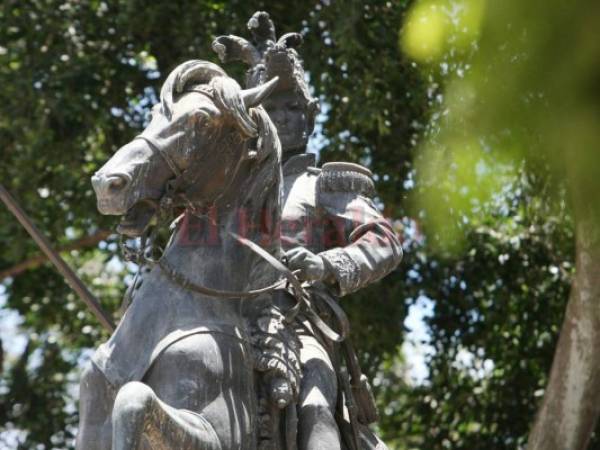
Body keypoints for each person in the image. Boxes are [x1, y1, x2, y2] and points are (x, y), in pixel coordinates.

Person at [213, 12, 402, 450]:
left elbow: (384, 240)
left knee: (316, 406)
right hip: (218, 319)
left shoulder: (325, 184)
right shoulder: (221, 189)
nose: (283, 117)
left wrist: (326, 263)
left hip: (297, 323)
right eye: (271, 107)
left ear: (311, 115)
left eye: (293, 107)